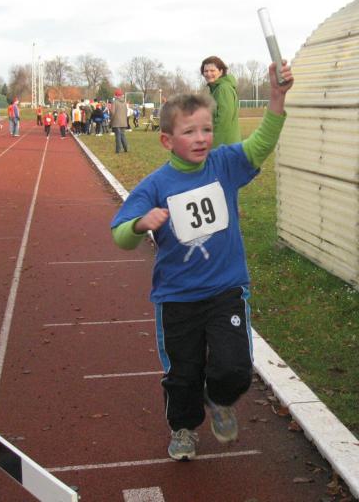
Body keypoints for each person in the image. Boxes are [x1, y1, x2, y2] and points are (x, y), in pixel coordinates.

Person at [110, 61, 294, 461]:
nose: (201, 139)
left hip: (226, 290)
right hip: (177, 297)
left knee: (234, 368)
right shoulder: (156, 185)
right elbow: (120, 234)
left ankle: (220, 399)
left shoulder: (224, 164)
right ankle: (183, 428)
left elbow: (260, 144)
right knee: (183, 374)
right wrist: (141, 224)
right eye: (190, 131)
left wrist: (277, 98)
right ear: (166, 140)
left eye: (206, 130)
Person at [201, 56, 241, 147]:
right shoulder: (215, 89)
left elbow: (223, 121)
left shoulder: (223, 89)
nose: (208, 74)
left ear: (221, 71)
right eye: (206, 71)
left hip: (225, 146)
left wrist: (210, 144)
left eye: (212, 70)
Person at [110, 89, 129, 153]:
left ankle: (118, 150)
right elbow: (126, 112)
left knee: (118, 136)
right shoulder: (124, 103)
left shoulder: (114, 102)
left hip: (116, 121)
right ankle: (126, 148)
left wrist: (111, 120)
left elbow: (112, 112)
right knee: (123, 135)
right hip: (123, 122)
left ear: (116, 95)